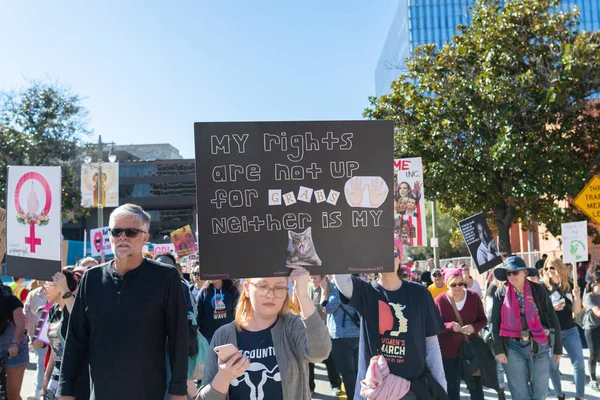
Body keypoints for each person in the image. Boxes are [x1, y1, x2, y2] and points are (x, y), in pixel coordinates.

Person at [57, 203, 189, 400]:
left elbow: (179, 337)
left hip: (149, 392)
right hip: (101, 392)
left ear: (145, 237)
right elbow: (76, 339)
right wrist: (65, 389)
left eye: (131, 232)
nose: (123, 237)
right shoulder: (91, 279)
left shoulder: (166, 277)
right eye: (117, 231)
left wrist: (178, 391)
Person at [197, 265, 331, 400]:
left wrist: (302, 295)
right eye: (262, 286)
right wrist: (223, 378)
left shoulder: (292, 327)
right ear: (248, 289)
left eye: (279, 288)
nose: (270, 294)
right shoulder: (223, 335)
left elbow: (320, 353)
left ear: (286, 292)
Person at [334, 242, 447, 399]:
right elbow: (342, 280)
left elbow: (432, 347)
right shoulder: (366, 291)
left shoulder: (419, 293)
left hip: (412, 389)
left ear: (400, 258)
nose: (387, 258)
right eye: (381, 253)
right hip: (376, 389)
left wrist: (441, 388)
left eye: (392, 253)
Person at [491, 256, 561, 400]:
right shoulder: (500, 293)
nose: (511, 276)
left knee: (540, 393)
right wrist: (498, 350)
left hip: (540, 345)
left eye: (515, 272)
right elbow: (495, 323)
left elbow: (552, 318)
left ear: (524, 273)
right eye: (508, 273)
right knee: (520, 394)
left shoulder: (538, 290)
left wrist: (558, 347)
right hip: (513, 346)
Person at [435, 268, 487, 400]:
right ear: (447, 284)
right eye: (453, 284)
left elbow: (483, 320)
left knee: (476, 388)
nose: (458, 287)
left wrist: (474, 327)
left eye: (461, 283)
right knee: (452, 389)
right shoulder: (440, 301)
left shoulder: (473, 297)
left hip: (471, 351)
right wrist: (450, 326)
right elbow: (434, 325)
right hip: (449, 353)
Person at [542, 257, 585, 400]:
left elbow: (576, 310)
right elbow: (541, 313)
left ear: (559, 268)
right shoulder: (543, 288)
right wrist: (553, 309)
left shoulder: (569, 285)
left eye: (552, 268)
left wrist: (577, 297)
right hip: (553, 332)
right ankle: (559, 394)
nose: (549, 271)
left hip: (570, 329)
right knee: (553, 367)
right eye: (547, 268)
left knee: (579, 363)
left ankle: (580, 396)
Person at [40, 271, 84, 400]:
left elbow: (78, 317)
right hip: (56, 373)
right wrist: (46, 376)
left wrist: (65, 288)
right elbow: (55, 347)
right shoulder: (54, 309)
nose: (44, 289)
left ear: (59, 287)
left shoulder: (74, 306)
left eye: (48, 285)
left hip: (75, 375)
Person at [307, 275, 342, 396]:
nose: (312, 276)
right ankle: (310, 387)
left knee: (330, 360)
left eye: (315, 274)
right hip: (310, 330)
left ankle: (335, 385)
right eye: (310, 274)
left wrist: (324, 290)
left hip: (327, 330)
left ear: (323, 276)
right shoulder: (306, 288)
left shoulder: (332, 288)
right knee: (309, 360)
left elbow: (326, 309)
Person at [324, 281, 360, 400]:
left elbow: (328, 309)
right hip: (357, 333)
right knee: (356, 371)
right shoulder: (357, 289)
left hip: (341, 335)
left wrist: (325, 293)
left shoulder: (339, 291)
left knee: (347, 373)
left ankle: (352, 397)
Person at [0, 273, 30, 399]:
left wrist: (14, 344)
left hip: (15, 349)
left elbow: (20, 325)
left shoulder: (10, 300)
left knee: (13, 394)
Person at [24, 280, 49, 400]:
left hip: (47, 336)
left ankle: (39, 390)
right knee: (41, 362)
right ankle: (40, 388)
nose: (39, 280)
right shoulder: (32, 294)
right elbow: (26, 313)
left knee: (42, 362)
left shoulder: (54, 292)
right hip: (33, 335)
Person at [197, 279, 240, 344]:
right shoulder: (204, 292)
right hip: (209, 337)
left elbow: (238, 312)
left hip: (229, 336)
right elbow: (198, 313)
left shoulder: (232, 291)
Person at [584, 269, 600, 392]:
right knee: (594, 354)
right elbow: (598, 312)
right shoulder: (589, 296)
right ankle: (593, 379)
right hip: (591, 327)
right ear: (596, 283)